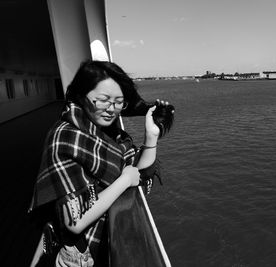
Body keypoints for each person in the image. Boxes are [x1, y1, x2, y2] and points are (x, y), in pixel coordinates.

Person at [29, 60, 174, 266]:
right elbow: (74, 221)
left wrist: (151, 136)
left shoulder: (111, 134)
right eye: (103, 100)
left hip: (101, 242)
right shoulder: (65, 137)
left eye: (118, 102)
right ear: (81, 95)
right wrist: (124, 180)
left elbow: (139, 173)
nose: (111, 109)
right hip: (76, 253)